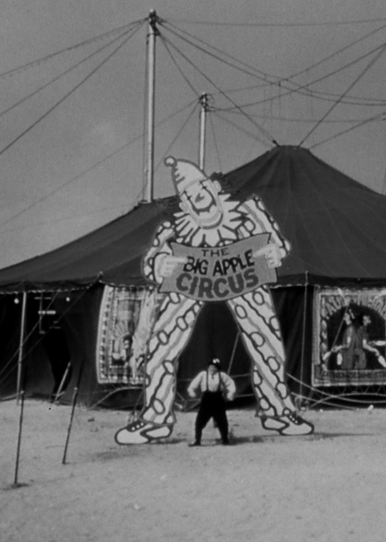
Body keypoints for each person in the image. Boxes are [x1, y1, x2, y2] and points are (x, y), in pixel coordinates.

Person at [115, 157, 313, 445]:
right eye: (190, 197)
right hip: (189, 279)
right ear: (184, 206)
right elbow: (152, 260)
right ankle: (155, 418)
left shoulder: (249, 212)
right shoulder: (174, 228)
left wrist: (274, 252)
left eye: (201, 190)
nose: (198, 198)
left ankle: (278, 411)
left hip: (244, 274)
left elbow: (277, 243)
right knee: (161, 346)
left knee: (267, 341)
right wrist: (160, 265)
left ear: (213, 188)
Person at [188, 358, 236, 446]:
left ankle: (225, 440)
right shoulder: (203, 375)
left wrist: (230, 395)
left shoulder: (222, 375)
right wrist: (192, 392)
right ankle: (197, 440)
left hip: (218, 400)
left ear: (217, 368)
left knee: (222, 421)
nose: (212, 369)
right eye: (210, 367)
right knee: (199, 422)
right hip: (206, 400)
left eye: (214, 367)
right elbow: (192, 385)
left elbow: (231, 384)